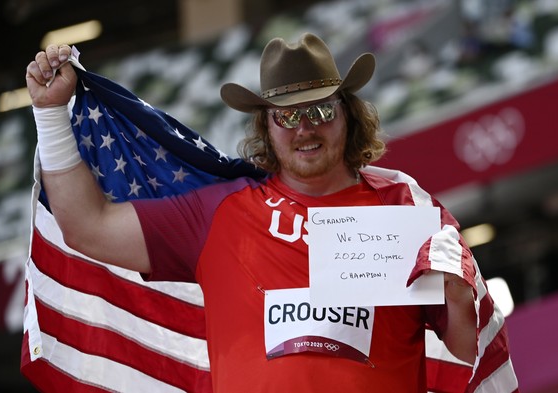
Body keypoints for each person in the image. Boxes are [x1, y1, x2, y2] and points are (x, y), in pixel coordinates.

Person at [25, 33, 490, 392]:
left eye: (321, 109)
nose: (305, 128)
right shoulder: (218, 212)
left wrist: (456, 283)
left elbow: (466, 347)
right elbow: (87, 227)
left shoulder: (404, 207)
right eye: (287, 115)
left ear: (348, 115)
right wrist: (49, 112)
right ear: (266, 127)